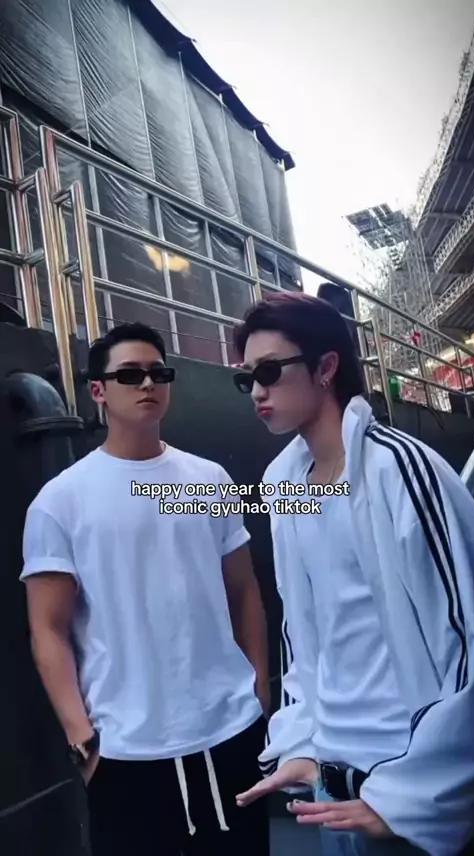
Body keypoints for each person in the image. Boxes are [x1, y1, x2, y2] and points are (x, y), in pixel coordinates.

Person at [230, 292, 474, 856]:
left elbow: (469, 639)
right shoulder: (284, 485)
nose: (258, 391)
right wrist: (302, 743)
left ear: (325, 367)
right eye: (247, 379)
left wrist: (413, 799)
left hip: (405, 794)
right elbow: (303, 632)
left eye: (269, 371)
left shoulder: (400, 469)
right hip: (330, 788)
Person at [20, 322, 270, 856]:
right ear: (98, 390)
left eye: (159, 372)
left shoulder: (208, 480)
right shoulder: (60, 501)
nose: (148, 383)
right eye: (130, 375)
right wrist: (81, 739)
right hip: (123, 753)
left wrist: (260, 692)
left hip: (230, 733)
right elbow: (48, 628)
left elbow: (244, 591)